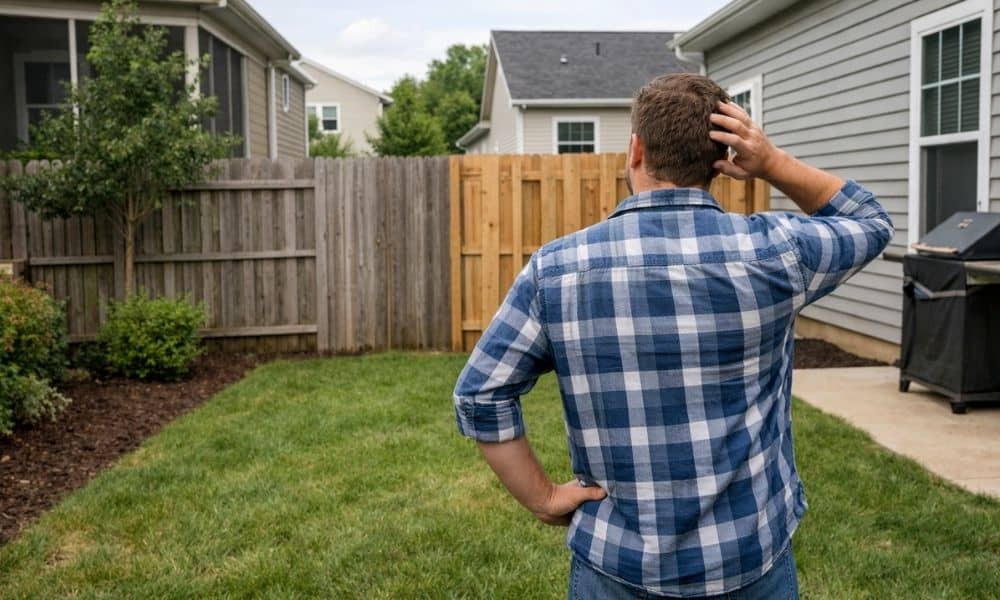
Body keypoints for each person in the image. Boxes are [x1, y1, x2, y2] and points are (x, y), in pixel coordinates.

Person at [452, 73, 893, 599]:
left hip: (617, 566)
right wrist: (772, 162)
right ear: (721, 161)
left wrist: (545, 499)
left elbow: (481, 394)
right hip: (749, 559)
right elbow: (869, 219)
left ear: (636, 149)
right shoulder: (776, 252)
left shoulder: (558, 270)